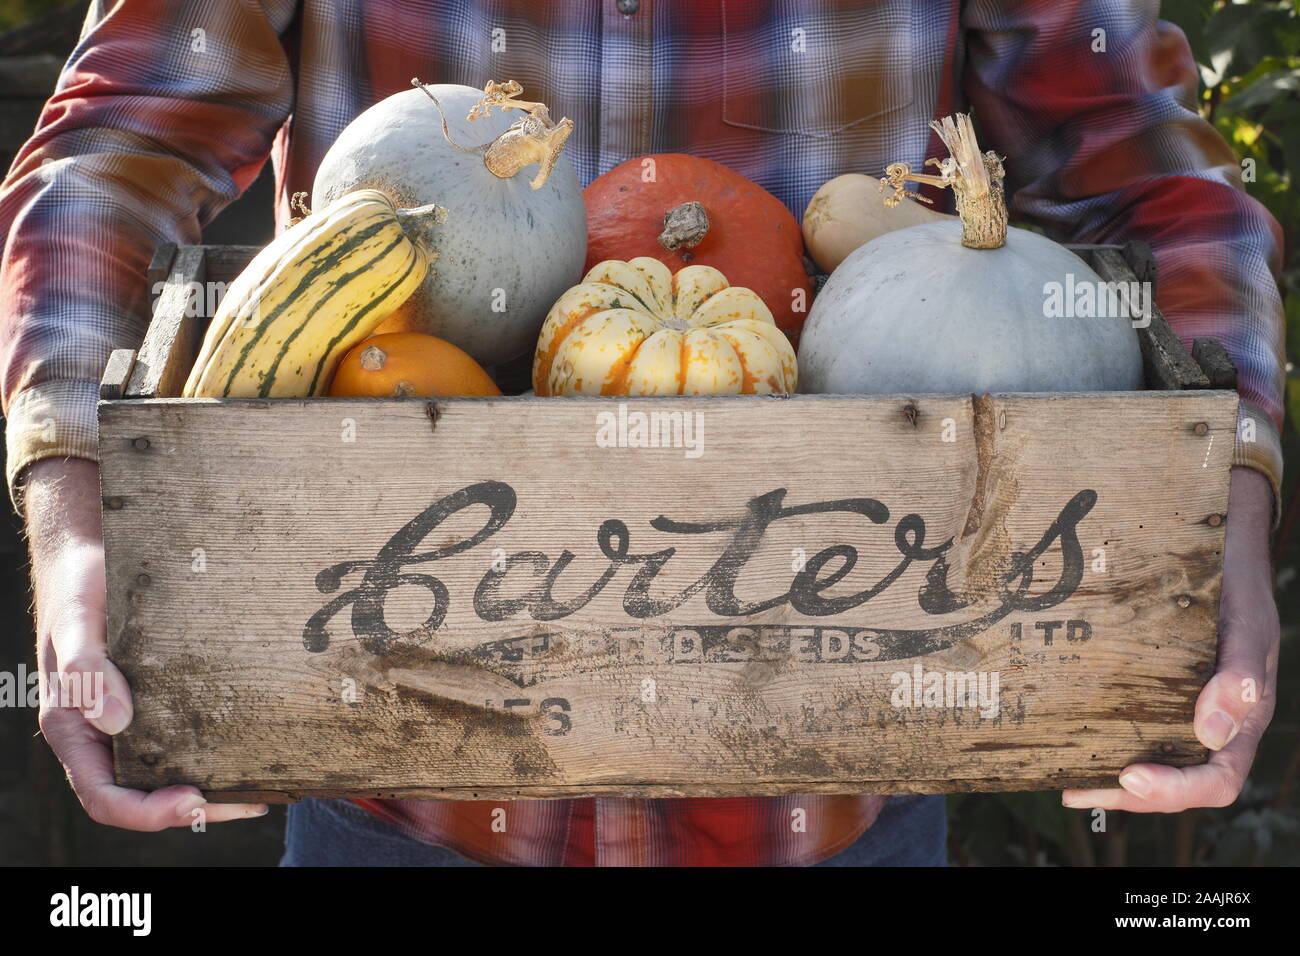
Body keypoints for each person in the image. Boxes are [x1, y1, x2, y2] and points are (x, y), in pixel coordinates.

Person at [1, 0, 1281, 867]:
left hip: (834, 793)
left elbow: (1140, 167)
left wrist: (1222, 485)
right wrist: (69, 489)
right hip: (398, 794)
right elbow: (116, 146)